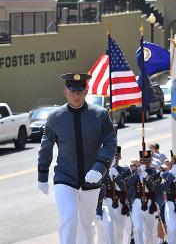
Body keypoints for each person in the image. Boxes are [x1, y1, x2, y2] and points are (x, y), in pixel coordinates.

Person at [37, 73, 117, 244]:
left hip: (92, 179)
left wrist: (100, 167)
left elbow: (110, 143)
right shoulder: (55, 118)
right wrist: (42, 175)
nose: (76, 95)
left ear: (86, 91)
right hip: (65, 178)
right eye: (72, 91)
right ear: (65, 92)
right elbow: (46, 146)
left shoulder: (100, 115)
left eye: (80, 91)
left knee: (87, 225)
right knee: (69, 218)